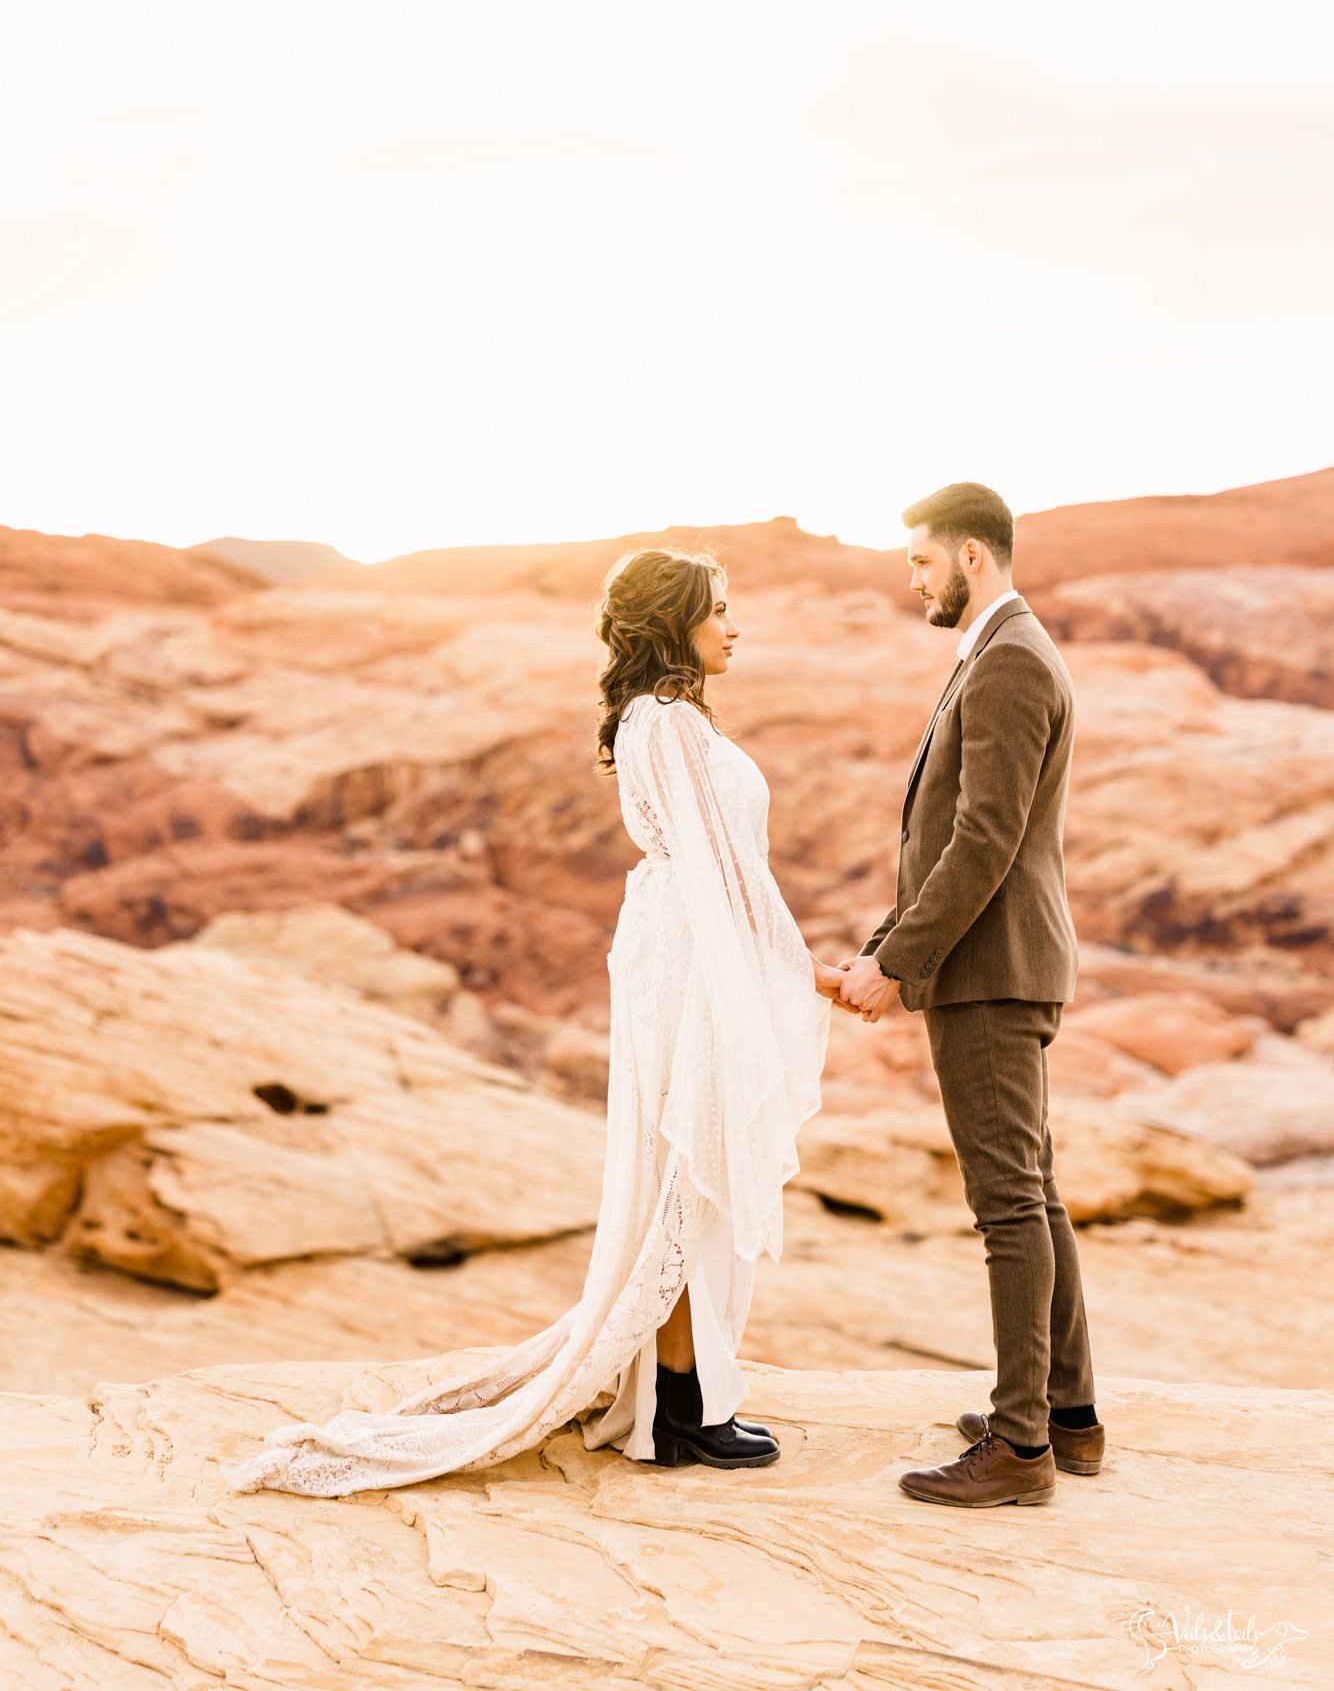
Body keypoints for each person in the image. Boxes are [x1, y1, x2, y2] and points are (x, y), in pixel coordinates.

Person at [224, 548, 837, 1498]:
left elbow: (731, 869)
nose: (735, 625)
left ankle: (683, 1395)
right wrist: (802, 973)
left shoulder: (666, 719)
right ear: (674, 623)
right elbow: (724, 872)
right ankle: (679, 1407)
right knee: (689, 1167)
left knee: (695, 1169)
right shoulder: (665, 723)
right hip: (695, 953)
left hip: (693, 941)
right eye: (719, 609)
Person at [838, 482, 1103, 1508]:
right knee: (1033, 1192)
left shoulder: (1007, 662)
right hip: (997, 965)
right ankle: (1066, 1418)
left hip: (991, 975)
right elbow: (953, 835)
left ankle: (1018, 1443)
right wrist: (885, 943)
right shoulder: (1007, 652)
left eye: (918, 562)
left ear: (970, 557)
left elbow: (981, 840)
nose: (911, 580)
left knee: (1006, 1205)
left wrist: (899, 962)